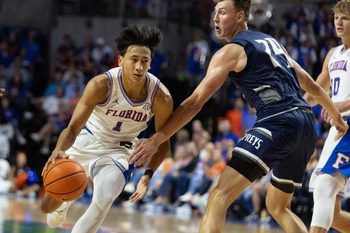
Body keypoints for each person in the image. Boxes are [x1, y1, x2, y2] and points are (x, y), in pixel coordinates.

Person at [129, 1, 348, 233]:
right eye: (215, 13)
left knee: (218, 196)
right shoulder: (272, 43)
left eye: (222, 13)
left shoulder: (230, 51)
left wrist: (157, 138)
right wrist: (336, 116)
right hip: (305, 125)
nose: (215, 19)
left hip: (278, 120)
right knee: (277, 206)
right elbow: (312, 86)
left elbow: (194, 103)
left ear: (241, 16)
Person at [40, 24, 173, 233]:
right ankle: (63, 203)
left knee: (104, 198)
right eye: (134, 59)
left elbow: (163, 141)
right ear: (121, 61)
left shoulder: (161, 97)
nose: (139, 66)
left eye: (144, 61)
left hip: (120, 151)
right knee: (47, 207)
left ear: (150, 64)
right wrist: (58, 151)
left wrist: (147, 175)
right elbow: (73, 127)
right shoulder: (101, 84)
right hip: (87, 140)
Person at [305, 1, 350, 232]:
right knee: (331, 214)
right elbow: (314, 94)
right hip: (338, 126)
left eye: (345, 18)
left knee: (324, 186)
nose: (339, 23)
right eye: (336, 18)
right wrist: (291, 105)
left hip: (347, 124)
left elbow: (333, 103)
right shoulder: (332, 54)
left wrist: (337, 106)